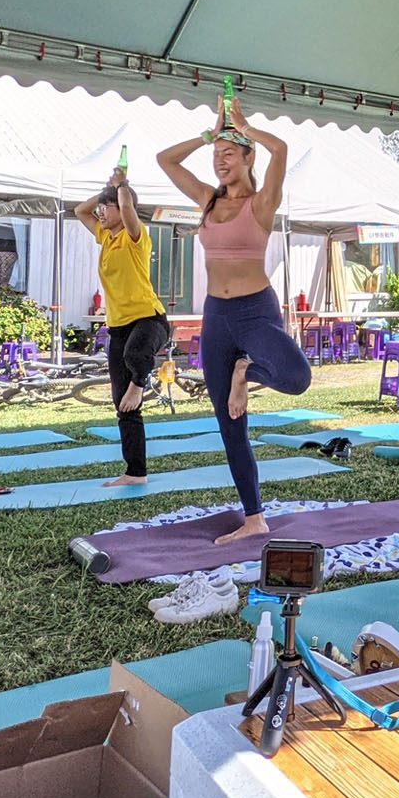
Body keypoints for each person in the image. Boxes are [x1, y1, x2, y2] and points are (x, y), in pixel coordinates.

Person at [158, 96, 311, 544]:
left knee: (296, 376)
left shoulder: (262, 204)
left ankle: (248, 370)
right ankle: (254, 517)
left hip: (255, 310)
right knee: (229, 422)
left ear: (248, 157)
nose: (219, 162)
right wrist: (209, 134)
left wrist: (244, 125)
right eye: (215, 156)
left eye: (229, 154)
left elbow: (281, 149)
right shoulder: (207, 200)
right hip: (217, 316)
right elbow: (164, 160)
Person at [74, 168, 170, 487]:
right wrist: (105, 190)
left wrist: (121, 187)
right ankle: (135, 472)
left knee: (136, 354)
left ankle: (140, 382)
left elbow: (128, 208)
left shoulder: (135, 236)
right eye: (102, 207)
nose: (100, 212)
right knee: (123, 405)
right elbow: (80, 211)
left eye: (107, 207)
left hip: (148, 319)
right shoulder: (105, 236)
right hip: (117, 327)